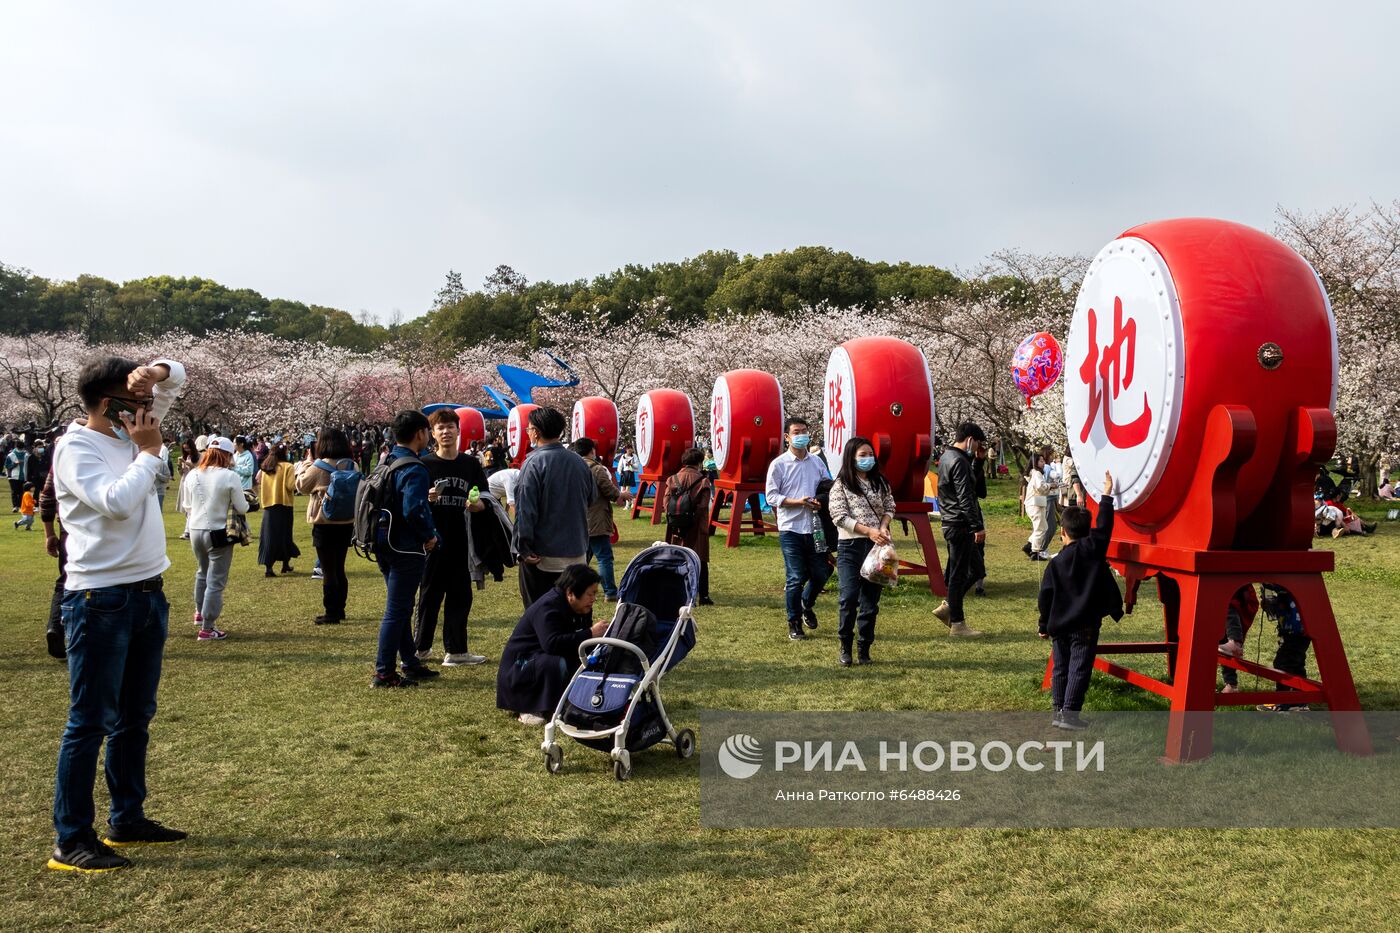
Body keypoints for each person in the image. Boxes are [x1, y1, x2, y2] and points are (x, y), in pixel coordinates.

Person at [49, 356, 188, 872]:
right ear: (111, 406)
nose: (152, 411)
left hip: (147, 592)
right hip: (99, 599)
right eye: (142, 405)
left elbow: (178, 376)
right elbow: (115, 502)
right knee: (90, 722)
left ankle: (127, 817)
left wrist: (154, 371)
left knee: (135, 717)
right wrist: (149, 455)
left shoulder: (131, 429)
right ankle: (71, 838)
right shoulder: (76, 447)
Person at [1037, 471, 1123, 730]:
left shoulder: (1055, 563)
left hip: (1059, 625)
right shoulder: (1093, 550)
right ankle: (1071, 715)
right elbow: (1105, 525)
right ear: (1087, 531)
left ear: (1062, 532)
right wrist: (1106, 494)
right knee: (1079, 668)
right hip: (1085, 624)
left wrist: (1043, 625)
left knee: (1061, 667)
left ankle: (1058, 712)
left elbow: (1046, 597)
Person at [369, 410, 443, 688]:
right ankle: (384, 672)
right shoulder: (413, 467)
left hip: (382, 541)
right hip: (405, 547)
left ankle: (410, 662)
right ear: (420, 434)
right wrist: (430, 535)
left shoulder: (387, 460)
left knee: (399, 606)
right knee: (397, 610)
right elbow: (414, 509)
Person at [414, 409, 490, 666]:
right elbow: (412, 503)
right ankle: (420, 648)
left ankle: (456, 651)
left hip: (462, 541)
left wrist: (478, 505)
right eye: (440, 428)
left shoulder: (470, 465)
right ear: (432, 434)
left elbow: (486, 498)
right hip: (433, 542)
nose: (445, 432)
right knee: (429, 596)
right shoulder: (425, 464)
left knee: (460, 595)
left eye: (450, 427)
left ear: (459, 430)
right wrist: (427, 498)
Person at [496, 564, 610, 726]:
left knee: (588, 659)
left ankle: (569, 703)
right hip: (520, 667)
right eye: (590, 594)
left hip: (539, 658)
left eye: (595, 594)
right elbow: (552, 644)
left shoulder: (580, 606)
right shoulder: (548, 607)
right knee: (556, 663)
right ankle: (531, 707)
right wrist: (590, 634)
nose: (593, 599)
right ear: (570, 593)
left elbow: (577, 641)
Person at [513, 407, 597, 609]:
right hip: (576, 551)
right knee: (573, 614)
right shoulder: (579, 462)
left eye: (528, 429)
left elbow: (526, 510)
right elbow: (592, 498)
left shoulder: (533, 462)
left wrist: (522, 546)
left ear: (536, 431)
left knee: (540, 615)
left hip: (542, 555)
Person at [828, 437, 896, 667]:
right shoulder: (841, 485)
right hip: (850, 546)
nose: (868, 459)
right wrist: (868, 531)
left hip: (877, 547)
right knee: (848, 597)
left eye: (870, 454)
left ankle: (864, 647)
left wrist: (884, 526)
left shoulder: (880, 482)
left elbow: (890, 506)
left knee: (870, 601)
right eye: (862, 455)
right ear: (851, 457)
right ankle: (845, 646)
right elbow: (839, 516)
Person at [764, 416, 833, 640]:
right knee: (794, 577)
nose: (801, 435)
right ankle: (794, 622)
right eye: (796, 432)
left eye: (804, 431)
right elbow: (771, 496)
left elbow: (827, 486)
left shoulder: (817, 462)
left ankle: (807, 603)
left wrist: (820, 500)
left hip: (815, 527)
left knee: (822, 573)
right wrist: (797, 502)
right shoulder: (779, 464)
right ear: (787, 437)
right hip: (791, 528)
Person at [183, 437, 248, 641]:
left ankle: (199, 612)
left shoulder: (193, 474)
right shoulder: (229, 476)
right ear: (228, 455)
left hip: (195, 529)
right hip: (218, 531)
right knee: (216, 581)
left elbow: (187, 505)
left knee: (202, 573)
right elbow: (243, 507)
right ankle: (208, 627)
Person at [294, 427, 356, 625]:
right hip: (347, 521)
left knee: (328, 570)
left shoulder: (319, 466)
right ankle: (341, 608)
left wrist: (305, 464)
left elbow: (301, 486)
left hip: (324, 522)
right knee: (339, 567)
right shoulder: (351, 465)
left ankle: (331, 612)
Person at [932, 422, 987, 637]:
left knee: (977, 569)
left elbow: (978, 492)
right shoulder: (959, 461)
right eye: (977, 445)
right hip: (960, 525)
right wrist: (977, 527)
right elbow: (966, 498)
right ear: (970, 439)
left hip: (953, 522)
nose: (977, 449)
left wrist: (979, 462)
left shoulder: (948, 457)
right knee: (959, 573)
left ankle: (948, 607)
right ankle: (957, 623)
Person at [572, 437, 629, 602]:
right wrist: (622, 494)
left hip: (578, 519)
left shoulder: (572, 467)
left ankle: (577, 588)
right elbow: (609, 490)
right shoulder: (596, 469)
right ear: (592, 450)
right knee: (604, 557)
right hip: (596, 518)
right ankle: (610, 591)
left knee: (582, 558)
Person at [660, 447, 714, 605]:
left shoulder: (672, 479)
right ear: (699, 462)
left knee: (677, 559)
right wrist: (692, 519)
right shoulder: (703, 481)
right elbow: (703, 506)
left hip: (675, 526)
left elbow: (665, 502)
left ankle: (678, 593)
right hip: (696, 528)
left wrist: (675, 517)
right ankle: (702, 595)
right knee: (700, 561)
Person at [257, 442, 300, 576]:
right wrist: (298, 477)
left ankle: (269, 567)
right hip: (284, 505)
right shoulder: (288, 467)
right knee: (285, 534)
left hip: (269, 506)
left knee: (269, 536)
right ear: (284, 453)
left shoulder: (266, 467)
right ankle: (285, 564)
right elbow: (290, 486)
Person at [1023, 454, 1054, 561]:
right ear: (1035, 462)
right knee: (1040, 528)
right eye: (1040, 461)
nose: (1043, 463)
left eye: (1043, 461)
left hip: (1035, 503)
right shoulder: (1037, 474)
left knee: (1043, 527)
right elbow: (1040, 487)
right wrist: (1050, 485)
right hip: (1035, 504)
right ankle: (1035, 551)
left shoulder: (1033, 474)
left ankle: (1029, 546)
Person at [5, 442, 27, 511]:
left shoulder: (26, 455)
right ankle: (15, 506)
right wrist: (14, 464)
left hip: (23, 476)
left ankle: (20, 506)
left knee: (21, 492)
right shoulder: (11, 455)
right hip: (13, 476)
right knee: (14, 492)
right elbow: (7, 466)